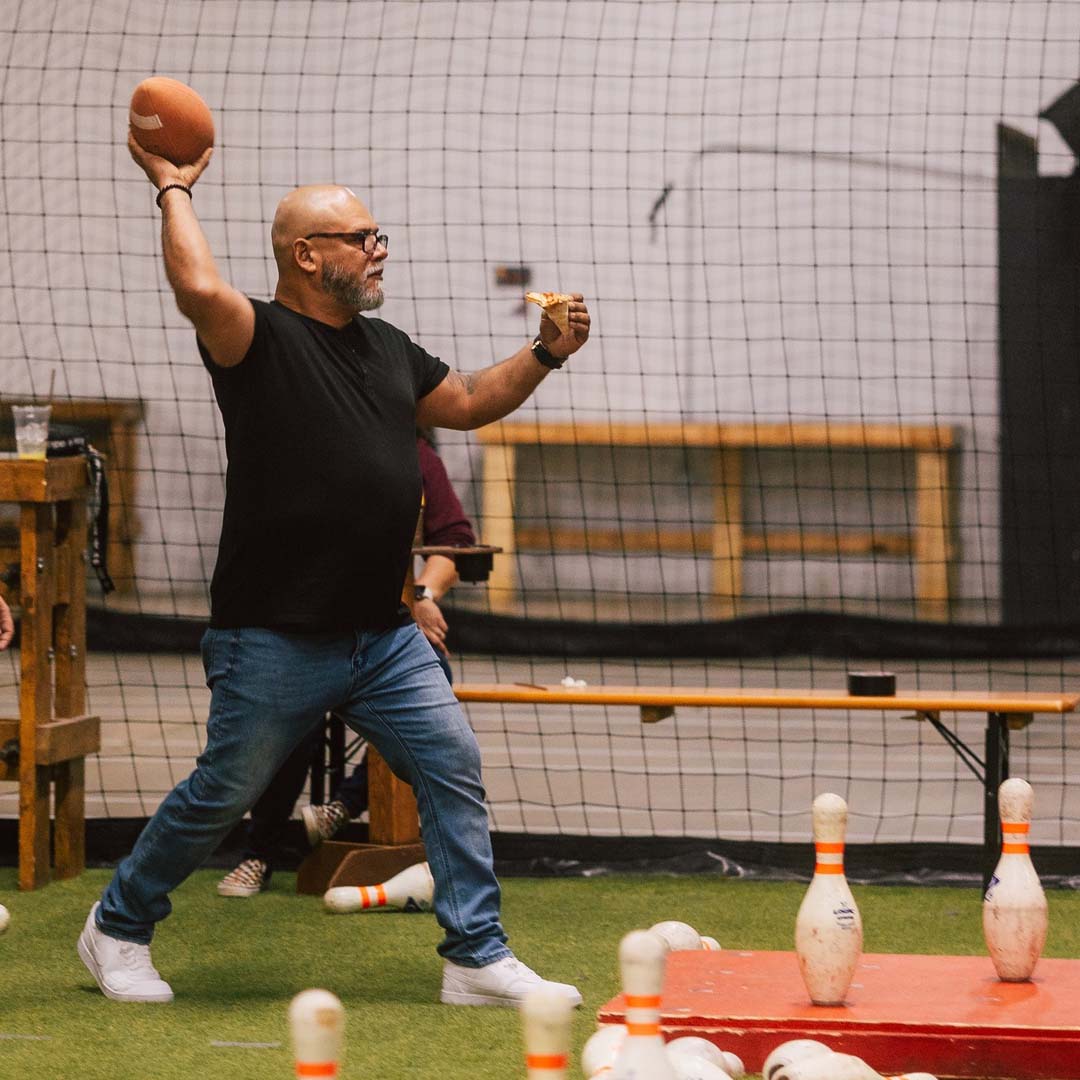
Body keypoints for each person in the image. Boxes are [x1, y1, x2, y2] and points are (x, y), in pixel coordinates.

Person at [76, 134, 590, 1007]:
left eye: (377, 233)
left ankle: (475, 954)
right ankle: (117, 926)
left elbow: (465, 402)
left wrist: (545, 355)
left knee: (450, 765)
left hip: (382, 633)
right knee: (222, 792)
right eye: (361, 235)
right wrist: (171, 187)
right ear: (307, 255)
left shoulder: (387, 348)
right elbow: (198, 287)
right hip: (273, 630)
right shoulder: (256, 337)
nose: (379, 246)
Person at [217, 429, 475, 897]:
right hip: (310, 626)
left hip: (386, 630)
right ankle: (258, 852)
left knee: (435, 672)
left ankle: (343, 806)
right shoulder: (309, 449)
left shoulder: (418, 460)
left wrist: (422, 594)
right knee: (294, 713)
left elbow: (454, 538)